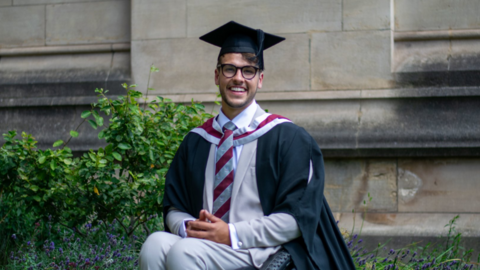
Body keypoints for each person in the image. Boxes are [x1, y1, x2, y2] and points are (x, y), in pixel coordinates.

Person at [139, 21, 355, 270]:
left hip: (258, 251)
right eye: (229, 69)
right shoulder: (198, 140)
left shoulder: (287, 138)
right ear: (217, 75)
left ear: (260, 79)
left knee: (184, 252)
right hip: (203, 244)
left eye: (248, 71)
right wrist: (188, 227)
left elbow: (296, 219)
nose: (238, 78)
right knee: (154, 244)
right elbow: (174, 207)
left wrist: (229, 233)